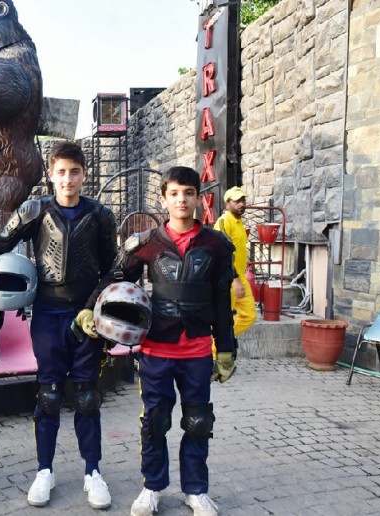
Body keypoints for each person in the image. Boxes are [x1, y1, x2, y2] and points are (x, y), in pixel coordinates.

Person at [0, 141, 118, 510]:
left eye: (74, 172)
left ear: (84, 174)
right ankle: (44, 470)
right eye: (61, 172)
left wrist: (93, 308)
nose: (68, 179)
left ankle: (93, 471)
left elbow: (113, 270)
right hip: (48, 313)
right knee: (49, 395)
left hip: (86, 317)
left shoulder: (100, 215)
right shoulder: (34, 210)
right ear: (50, 174)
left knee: (87, 396)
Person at [87, 166, 235, 516]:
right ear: (163, 199)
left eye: (188, 193)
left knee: (198, 421)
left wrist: (227, 348)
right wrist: (91, 311)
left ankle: (196, 491)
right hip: (156, 349)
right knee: (155, 421)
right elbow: (114, 281)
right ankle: (152, 487)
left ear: (198, 198)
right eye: (174, 193)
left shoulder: (216, 245)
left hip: (197, 350)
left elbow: (222, 300)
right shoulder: (146, 243)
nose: (182, 200)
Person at [214, 186, 257, 346]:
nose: (242, 204)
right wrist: (235, 279)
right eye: (237, 201)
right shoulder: (224, 221)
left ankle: (223, 339)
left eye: (243, 200)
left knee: (249, 316)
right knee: (223, 320)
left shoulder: (238, 222)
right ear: (227, 203)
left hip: (239, 278)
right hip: (228, 280)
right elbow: (222, 254)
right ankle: (213, 352)